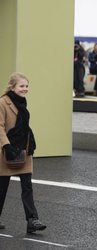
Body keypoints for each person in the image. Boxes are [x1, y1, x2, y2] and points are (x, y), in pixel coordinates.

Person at [0, 72, 46, 233]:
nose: (25, 89)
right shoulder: (3, 102)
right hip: (6, 152)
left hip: (23, 150)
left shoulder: (21, 102)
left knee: (27, 186)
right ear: (12, 86)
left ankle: (32, 220)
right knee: (2, 188)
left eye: (26, 86)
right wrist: (6, 146)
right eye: (21, 86)